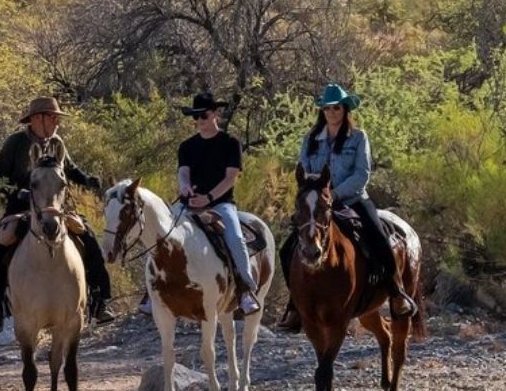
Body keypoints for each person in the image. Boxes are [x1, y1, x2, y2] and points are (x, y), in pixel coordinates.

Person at [0, 95, 111, 338]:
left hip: (57, 208)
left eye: (57, 117)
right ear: (37, 119)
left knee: (89, 239)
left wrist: (88, 180)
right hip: (22, 208)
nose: (57, 122)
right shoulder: (15, 143)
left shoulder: (57, 142)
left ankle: (100, 302)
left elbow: (69, 169)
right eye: (53, 117)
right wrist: (18, 192)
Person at [284, 82, 415, 322]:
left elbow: (361, 174)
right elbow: (302, 169)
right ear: (322, 111)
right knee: (288, 246)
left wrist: (333, 195)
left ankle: (397, 293)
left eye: (336, 108)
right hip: (318, 203)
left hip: (352, 199)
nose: (332, 113)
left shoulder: (358, 138)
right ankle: (294, 304)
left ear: (345, 110)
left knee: (379, 237)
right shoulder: (311, 139)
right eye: (327, 109)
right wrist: (315, 194)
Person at [176, 92, 262, 317]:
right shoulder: (186, 146)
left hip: (221, 204)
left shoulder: (230, 143)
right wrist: (185, 188)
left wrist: (209, 199)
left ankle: (245, 289)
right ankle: (153, 288)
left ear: (214, 114)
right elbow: (183, 173)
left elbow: (230, 178)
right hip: (190, 203)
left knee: (235, 238)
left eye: (203, 115)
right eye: (195, 117)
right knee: (163, 231)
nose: (199, 121)